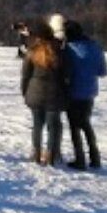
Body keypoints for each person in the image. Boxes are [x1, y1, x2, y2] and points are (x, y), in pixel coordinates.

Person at [21, 22, 71, 166]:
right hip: (55, 95)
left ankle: (36, 153)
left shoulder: (31, 52)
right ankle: (51, 154)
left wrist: (25, 92)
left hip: (35, 93)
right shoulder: (59, 53)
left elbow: (25, 76)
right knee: (53, 126)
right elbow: (67, 76)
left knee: (37, 125)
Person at [61, 19, 107, 170]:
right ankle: (95, 157)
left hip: (74, 92)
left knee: (75, 127)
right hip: (90, 92)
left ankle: (80, 159)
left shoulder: (68, 49)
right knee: (86, 124)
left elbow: (65, 71)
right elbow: (102, 71)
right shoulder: (95, 47)